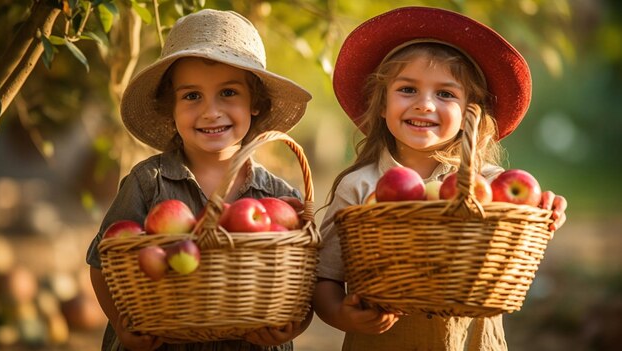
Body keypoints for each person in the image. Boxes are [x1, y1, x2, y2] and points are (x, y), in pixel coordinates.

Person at [313, 6, 568, 351]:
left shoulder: (490, 186)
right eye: (407, 89)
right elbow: (325, 276)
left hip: (471, 341)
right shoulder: (360, 186)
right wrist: (341, 315)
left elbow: (521, 224)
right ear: (382, 104)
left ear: (469, 114)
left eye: (445, 94)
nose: (425, 105)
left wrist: (545, 208)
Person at [86, 8, 313, 351]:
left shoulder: (280, 198)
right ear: (171, 106)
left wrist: (292, 326)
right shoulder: (150, 182)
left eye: (228, 93)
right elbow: (103, 263)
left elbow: (303, 283)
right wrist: (123, 325)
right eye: (192, 96)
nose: (210, 111)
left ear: (255, 102)